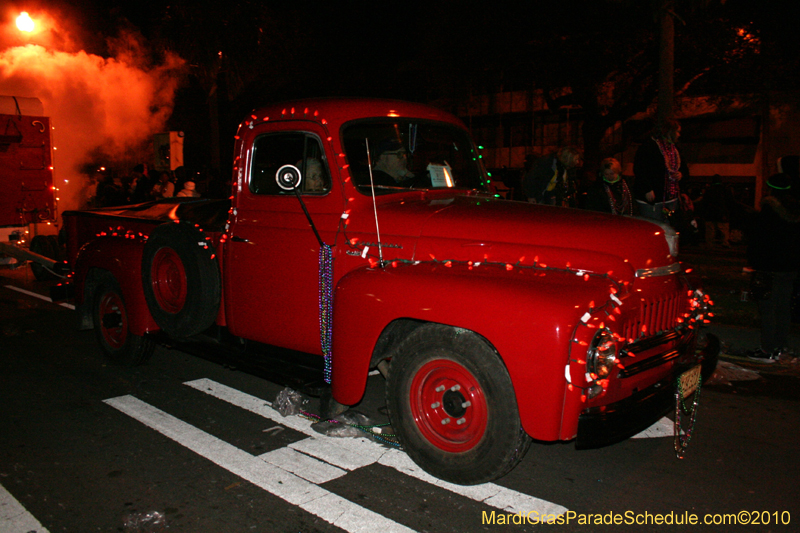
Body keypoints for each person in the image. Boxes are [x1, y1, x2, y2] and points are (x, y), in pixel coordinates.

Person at [746, 173, 800, 363]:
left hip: (769, 266)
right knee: (784, 307)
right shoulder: (795, 210)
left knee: (768, 308)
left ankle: (767, 349)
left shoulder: (768, 212)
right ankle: (780, 346)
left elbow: (759, 240)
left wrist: (754, 262)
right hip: (790, 267)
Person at [633, 118, 689, 223]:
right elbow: (640, 169)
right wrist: (646, 188)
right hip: (653, 199)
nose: (679, 135)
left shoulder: (675, 149)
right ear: (669, 132)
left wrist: (681, 175)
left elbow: (684, 169)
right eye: (677, 132)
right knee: (653, 226)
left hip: (671, 198)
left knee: (669, 229)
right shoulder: (649, 147)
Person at [699, 174, 733, 247]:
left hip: (710, 213)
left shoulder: (709, 190)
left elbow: (704, 202)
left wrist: (704, 212)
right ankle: (725, 242)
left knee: (710, 229)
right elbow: (730, 202)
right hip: (722, 212)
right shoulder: (725, 190)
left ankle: (710, 243)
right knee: (723, 229)